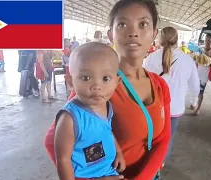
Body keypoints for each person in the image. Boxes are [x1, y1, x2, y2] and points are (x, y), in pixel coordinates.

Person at [44, 0, 171, 179]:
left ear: (154, 34)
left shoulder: (160, 85)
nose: (133, 33)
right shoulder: (100, 85)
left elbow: (162, 139)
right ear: (110, 35)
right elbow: (52, 142)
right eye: (122, 24)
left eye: (143, 24)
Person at [54, 42, 125, 180]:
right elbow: (63, 160)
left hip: (108, 171)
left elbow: (107, 130)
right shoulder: (69, 119)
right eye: (86, 78)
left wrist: (119, 152)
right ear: (70, 81)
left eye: (106, 78)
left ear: (117, 81)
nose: (97, 86)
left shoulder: (106, 105)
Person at [143, 27, 200, 163]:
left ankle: (147, 166)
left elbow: (142, 83)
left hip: (152, 108)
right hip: (174, 110)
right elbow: (195, 86)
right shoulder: (187, 60)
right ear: (177, 40)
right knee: (166, 140)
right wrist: (194, 101)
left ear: (160, 39)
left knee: (150, 137)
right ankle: (159, 167)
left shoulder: (150, 58)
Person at [190, 34, 211, 115]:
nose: (207, 42)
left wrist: (208, 59)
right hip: (197, 72)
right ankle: (193, 103)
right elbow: (196, 60)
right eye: (206, 40)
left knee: (201, 92)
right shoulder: (200, 49)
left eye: (209, 40)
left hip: (205, 75)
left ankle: (198, 109)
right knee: (194, 89)